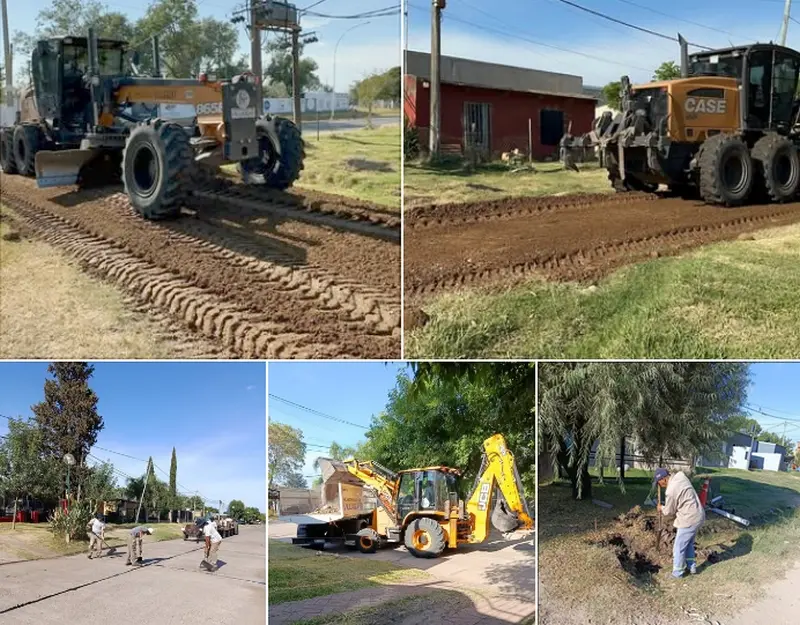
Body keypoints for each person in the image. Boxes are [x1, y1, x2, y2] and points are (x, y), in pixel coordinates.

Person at [655, 468, 705, 578]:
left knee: (678, 547)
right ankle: (691, 567)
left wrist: (661, 508)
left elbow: (669, 511)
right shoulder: (681, 476)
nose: (659, 485)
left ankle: (677, 573)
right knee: (688, 544)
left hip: (689, 519)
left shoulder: (671, 491)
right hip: (698, 514)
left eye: (659, 483)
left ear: (663, 479)